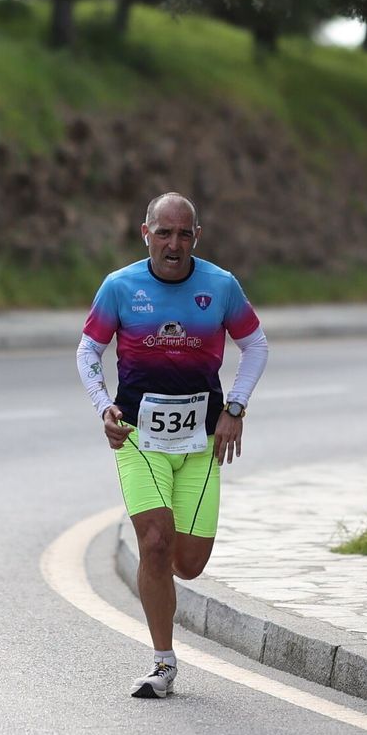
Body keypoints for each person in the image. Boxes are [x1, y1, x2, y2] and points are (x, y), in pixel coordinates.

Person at [76, 192, 269, 698]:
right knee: (155, 543)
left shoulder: (220, 286)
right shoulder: (120, 288)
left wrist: (236, 408)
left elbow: (256, 345)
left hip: (202, 440)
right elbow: (88, 350)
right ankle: (163, 663)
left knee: (188, 563)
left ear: (196, 238)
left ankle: (167, 613)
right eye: (164, 233)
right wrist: (103, 406)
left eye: (184, 234)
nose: (173, 244)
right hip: (141, 438)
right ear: (146, 235)